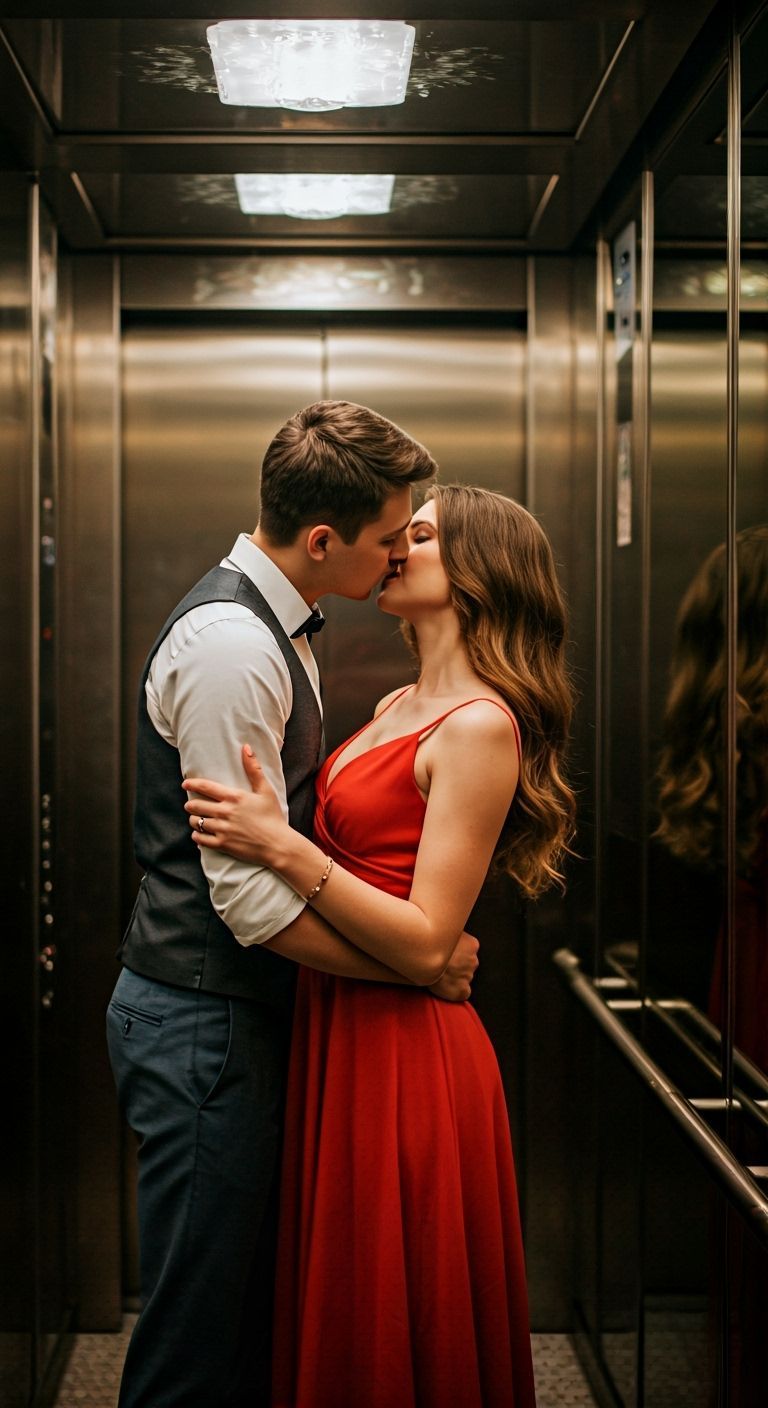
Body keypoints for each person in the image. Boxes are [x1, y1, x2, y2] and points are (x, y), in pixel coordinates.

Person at [106, 401, 480, 1408]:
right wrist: (420, 962)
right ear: (323, 540)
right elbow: (246, 902)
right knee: (194, 1337)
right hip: (203, 1016)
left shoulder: (284, 627)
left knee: (235, 1323)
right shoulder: (235, 643)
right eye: (389, 534)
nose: (399, 550)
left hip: (234, 1015)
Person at [184, 483, 576, 1408]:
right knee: (349, 1291)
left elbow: (430, 938)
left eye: (425, 534)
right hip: (343, 1025)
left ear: (478, 573)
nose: (400, 544)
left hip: (408, 1052)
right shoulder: (402, 699)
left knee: (395, 1308)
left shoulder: (480, 726)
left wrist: (282, 846)